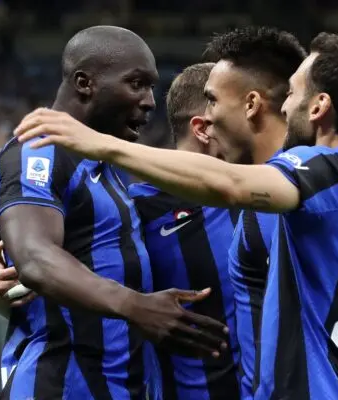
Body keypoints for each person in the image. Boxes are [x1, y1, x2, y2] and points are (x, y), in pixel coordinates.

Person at [13, 34, 338, 400]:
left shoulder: (315, 177)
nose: (285, 103)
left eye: (292, 93)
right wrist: (14, 286)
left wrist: (100, 144)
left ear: (317, 106)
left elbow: (232, 185)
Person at [0, 26, 228, 399]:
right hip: (59, 385)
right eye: (136, 84)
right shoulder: (37, 151)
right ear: (85, 83)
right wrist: (137, 306)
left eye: (151, 87)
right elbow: (35, 258)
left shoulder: (106, 168)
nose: (149, 101)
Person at [200, 26, 307, 398]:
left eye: (212, 100)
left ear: (251, 104)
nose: (206, 117)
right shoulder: (312, 180)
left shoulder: (295, 197)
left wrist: (99, 145)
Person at [129, 63, 241, 400]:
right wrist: (6, 291)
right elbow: (53, 275)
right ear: (204, 128)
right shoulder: (136, 208)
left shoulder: (270, 191)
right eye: (242, 110)